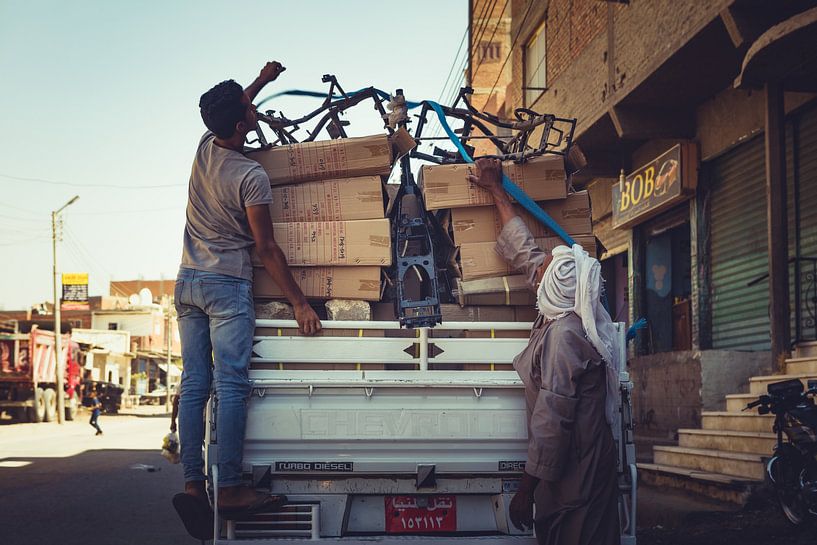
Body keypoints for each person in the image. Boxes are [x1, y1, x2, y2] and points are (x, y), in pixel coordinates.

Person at [172, 61, 322, 540]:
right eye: (250, 106)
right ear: (242, 126)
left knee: (195, 383)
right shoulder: (250, 175)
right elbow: (267, 248)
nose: (255, 106)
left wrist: (261, 80)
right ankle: (231, 485)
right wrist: (299, 302)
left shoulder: (204, 146)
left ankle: (194, 484)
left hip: (187, 282)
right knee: (231, 382)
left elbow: (233, 109)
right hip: (226, 286)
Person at [469, 158, 620, 545]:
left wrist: (526, 490)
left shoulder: (566, 337)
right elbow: (527, 253)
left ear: (554, 291)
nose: (537, 278)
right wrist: (497, 190)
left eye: (543, 278)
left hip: (576, 476)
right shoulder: (575, 303)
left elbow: (552, 425)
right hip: (577, 468)